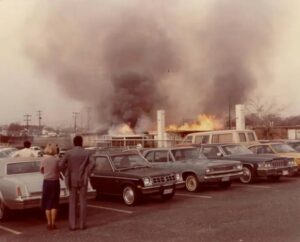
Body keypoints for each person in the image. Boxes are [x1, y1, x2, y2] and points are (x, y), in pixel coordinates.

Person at [59, 135, 93, 230]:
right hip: (83, 178)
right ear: (81, 142)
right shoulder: (87, 153)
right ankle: (82, 225)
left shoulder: (68, 153)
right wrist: (87, 172)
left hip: (71, 179)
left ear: (74, 143)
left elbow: (60, 164)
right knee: (83, 202)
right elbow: (93, 163)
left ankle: (72, 225)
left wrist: (66, 172)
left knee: (72, 202)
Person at [40, 143, 61, 230]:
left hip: (46, 182)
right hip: (55, 182)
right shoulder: (57, 160)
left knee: (47, 203)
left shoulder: (43, 160)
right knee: (54, 203)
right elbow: (59, 169)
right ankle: (53, 223)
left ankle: (48, 223)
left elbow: (41, 171)